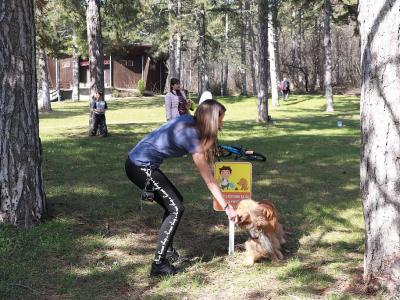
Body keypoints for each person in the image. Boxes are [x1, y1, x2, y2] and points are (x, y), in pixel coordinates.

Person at [125, 99, 238, 276]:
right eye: (220, 119)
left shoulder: (189, 121)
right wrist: (226, 207)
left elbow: (205, 146)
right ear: (211, 120)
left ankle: (167, 253)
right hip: (139, 166)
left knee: (175, 204)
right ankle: (158, 264)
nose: (222, 123)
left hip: (139, 163)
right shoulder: (191, 137)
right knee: (176, 209)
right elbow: (209, 179)